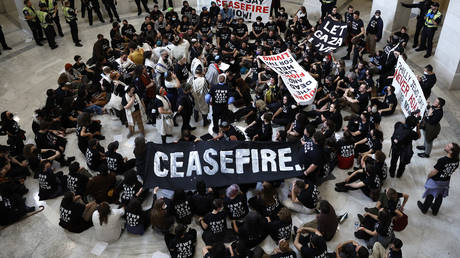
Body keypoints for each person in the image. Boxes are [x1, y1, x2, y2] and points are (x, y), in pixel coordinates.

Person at [417, 142, 459, 215]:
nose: (446, 146)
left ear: (451, 151)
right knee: (440, 196)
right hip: (446, 181)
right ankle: (435, 211)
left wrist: (428, 176)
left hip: (436, 181)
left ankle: (424, 209)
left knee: (430, 194)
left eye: (448, 146)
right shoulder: (457, 161)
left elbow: (434, 172)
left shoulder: (442, 160)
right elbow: (453, 170)